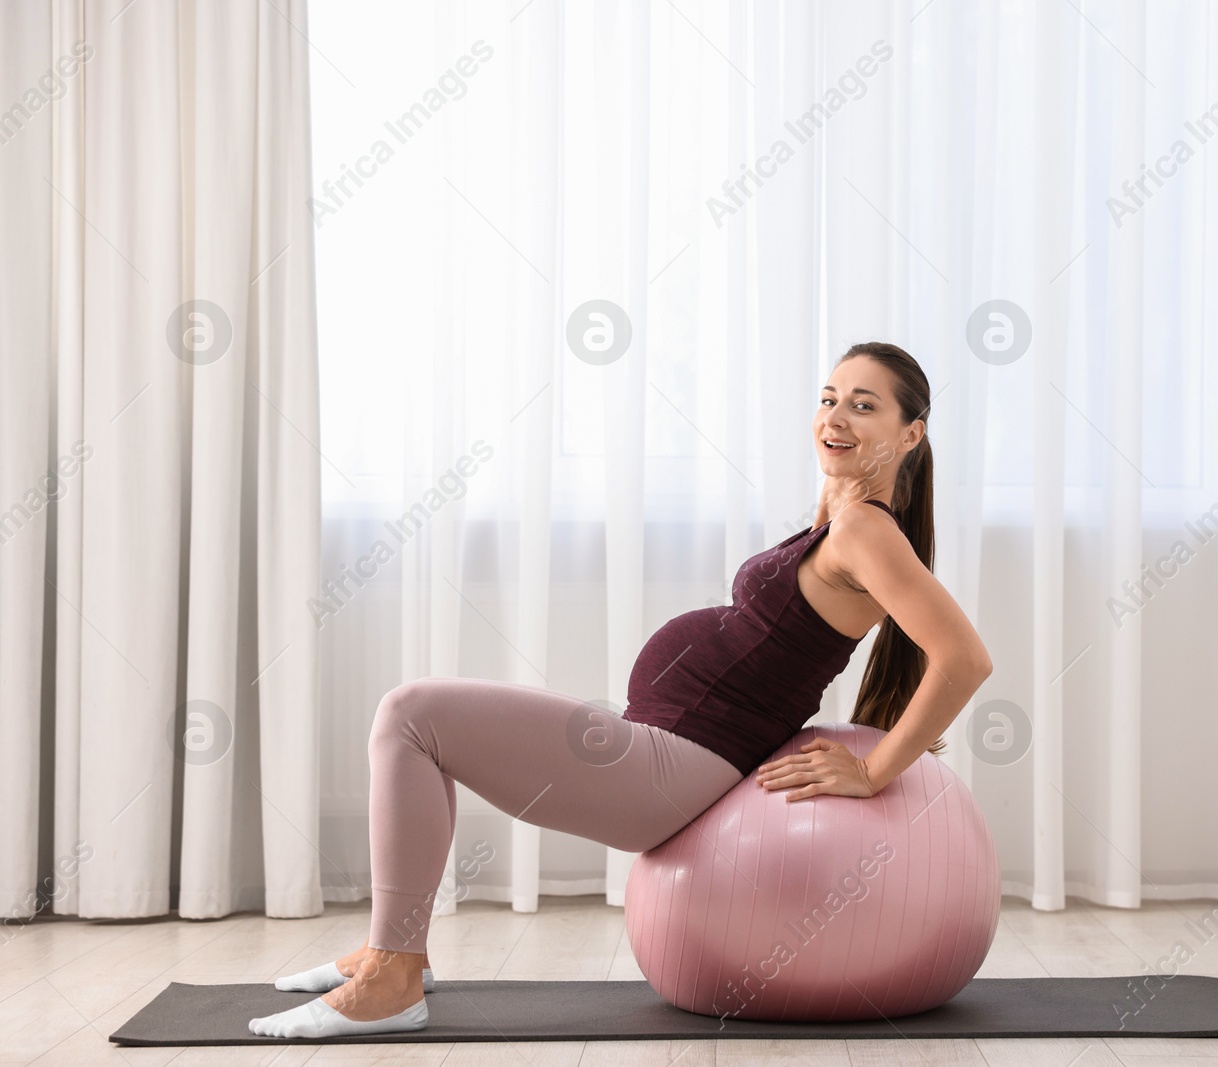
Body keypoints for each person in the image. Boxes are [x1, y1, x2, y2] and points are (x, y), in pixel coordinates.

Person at [248, 340, 993, 1037]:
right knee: (420, 727)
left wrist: (870, 771)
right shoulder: (844, 518)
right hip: (666, 750)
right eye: (829, 398)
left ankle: (393, 977)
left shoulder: (866, 529)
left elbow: (963, 656)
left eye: (864, 405)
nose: (835, 416)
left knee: (412, 716)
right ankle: (393, 952)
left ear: (911, 433)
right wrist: (841, 481)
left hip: (675, 766)